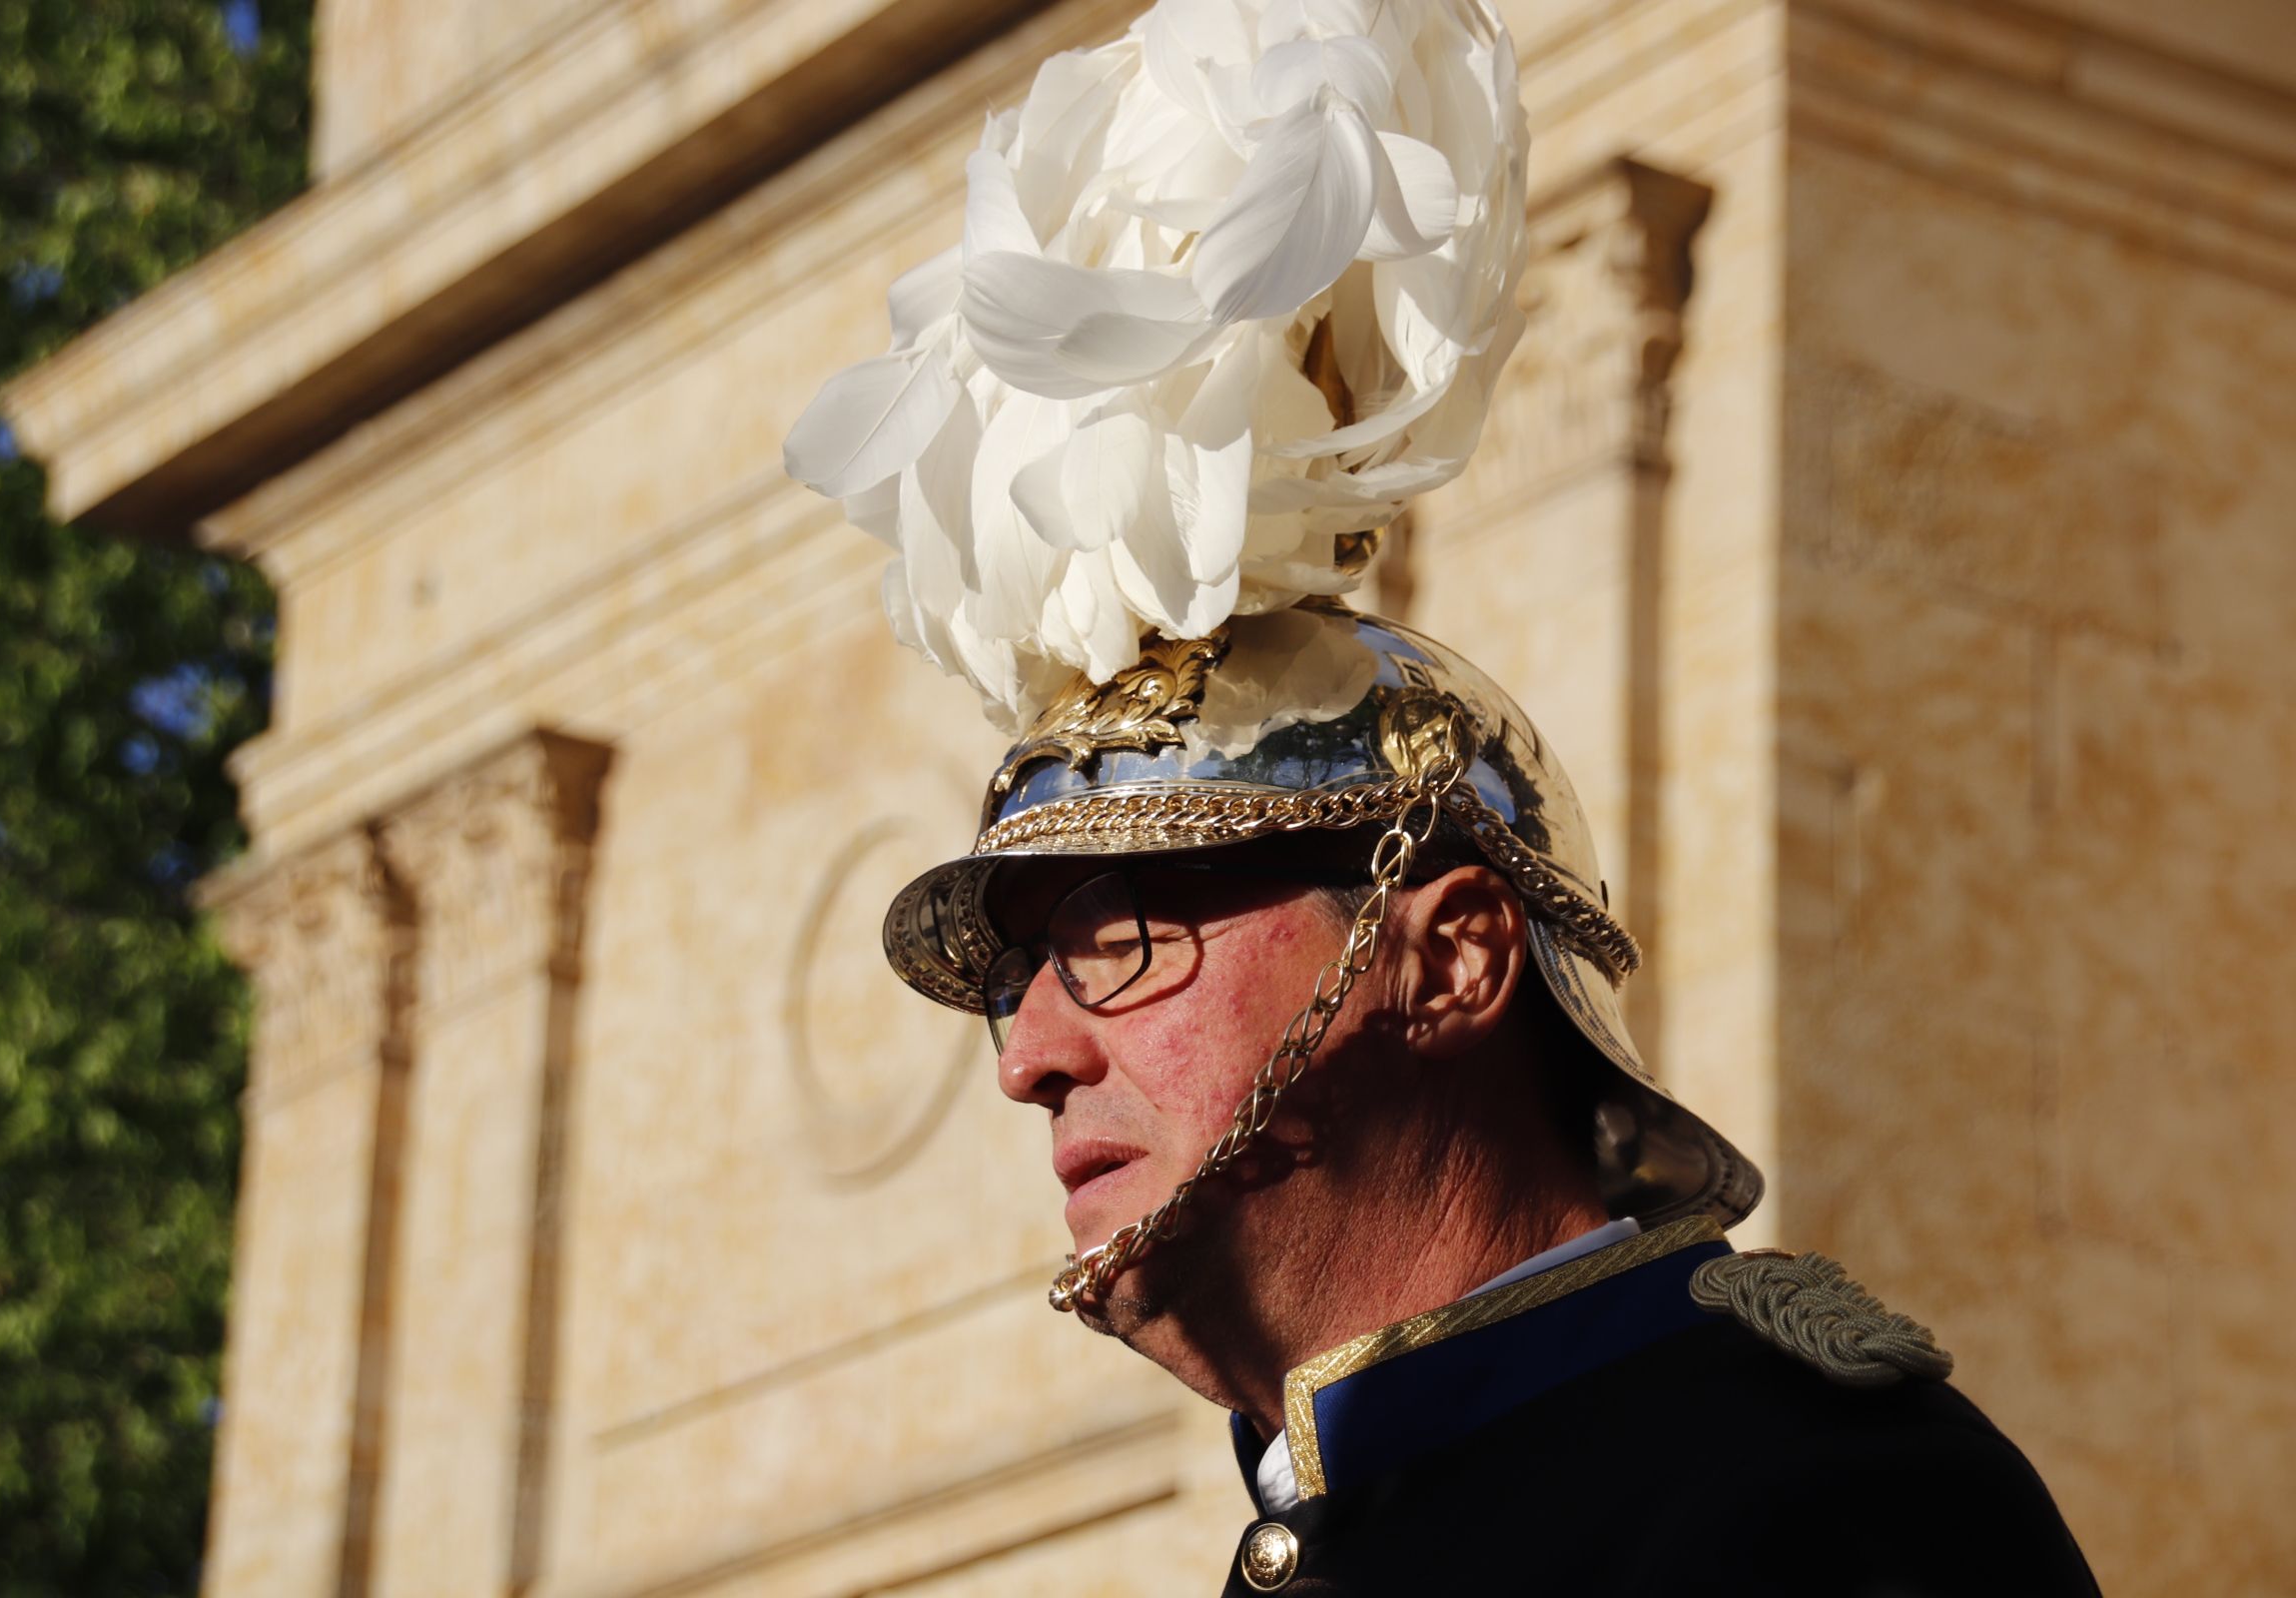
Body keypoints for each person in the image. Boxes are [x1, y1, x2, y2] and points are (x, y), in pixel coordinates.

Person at [782, 1, 2100, 1589]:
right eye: (1023, 989)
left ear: (1452, 956)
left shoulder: (1819, 1493)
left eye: (1119, 942)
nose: (1034, 1062)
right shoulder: (1333, 1528)